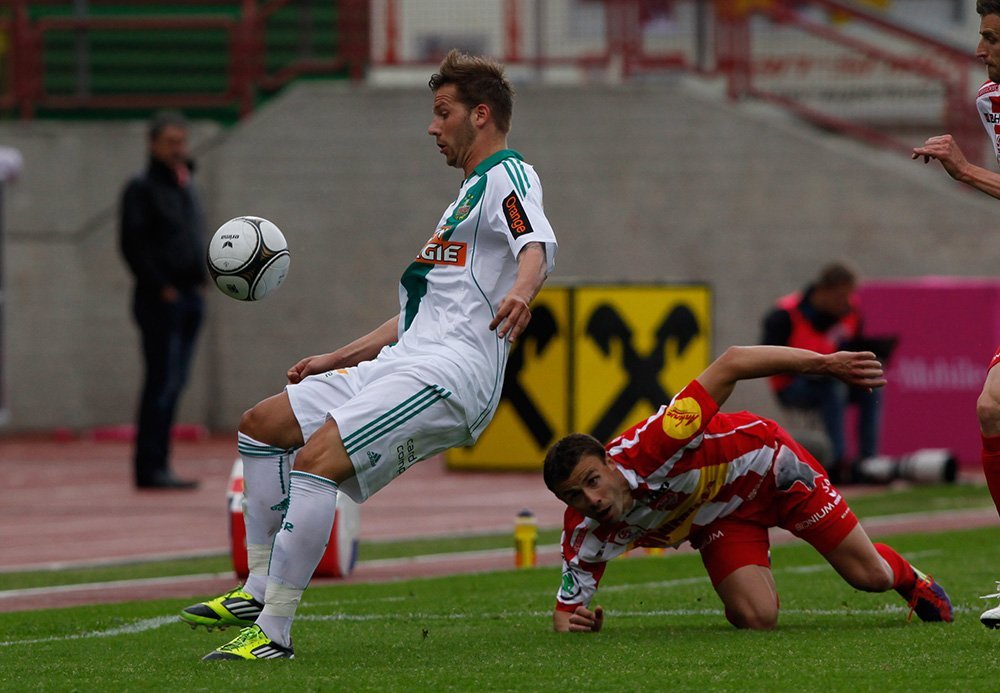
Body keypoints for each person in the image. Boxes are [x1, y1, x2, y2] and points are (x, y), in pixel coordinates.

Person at [181, 50, 558, 660]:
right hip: (407, 359)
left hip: (450, 373)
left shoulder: (507, 177)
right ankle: (256, 588)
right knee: (261, 426)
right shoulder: (465, 200)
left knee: (316, 462)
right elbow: (421, 314)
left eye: (443, 112)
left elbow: (534, 242)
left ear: (481, 115)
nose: (432, 127)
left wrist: (522, 290)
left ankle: (273, 631)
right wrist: (338, 357)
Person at [543, 344, 953, 633]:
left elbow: (733, 361)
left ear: (610, 463)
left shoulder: (657, 442)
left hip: (773, 468)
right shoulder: (584, 531)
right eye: (574, 496)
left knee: (870, 577)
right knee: (757, 619)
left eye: (593, 481)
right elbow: (564, 615)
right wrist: (576, 624)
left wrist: (824, 364)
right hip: (722, 514)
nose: (591, 501)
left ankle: (909, 578)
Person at [912, 0, 1000, 629]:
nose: (979, 50)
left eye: (992, 37)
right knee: (993, 408)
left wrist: (966, 171)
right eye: (980, 35)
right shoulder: (992, 101)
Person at [119, 110, 206, 490]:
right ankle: (149, 466)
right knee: (160, 382)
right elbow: (132, 244)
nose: (177, 149)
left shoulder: (184, 183)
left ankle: (160, 463)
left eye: (181, 141)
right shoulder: (141, 187)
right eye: (170, 142)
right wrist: (161, 287)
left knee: (175, 383)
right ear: (152, 144)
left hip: (190, 296)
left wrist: (199, 280)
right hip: (160, 300)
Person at [760, 261, 882, 482]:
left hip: (834, 380)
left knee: (871, 388)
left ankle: (868, 463)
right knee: (831, 390)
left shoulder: (851, 312)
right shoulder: (785, 314)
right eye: (841, 296)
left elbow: (852, 347)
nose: (846, 302)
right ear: (823, 291)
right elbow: (767, 359)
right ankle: (836, 463)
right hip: (793, 386)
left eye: (849, 295)